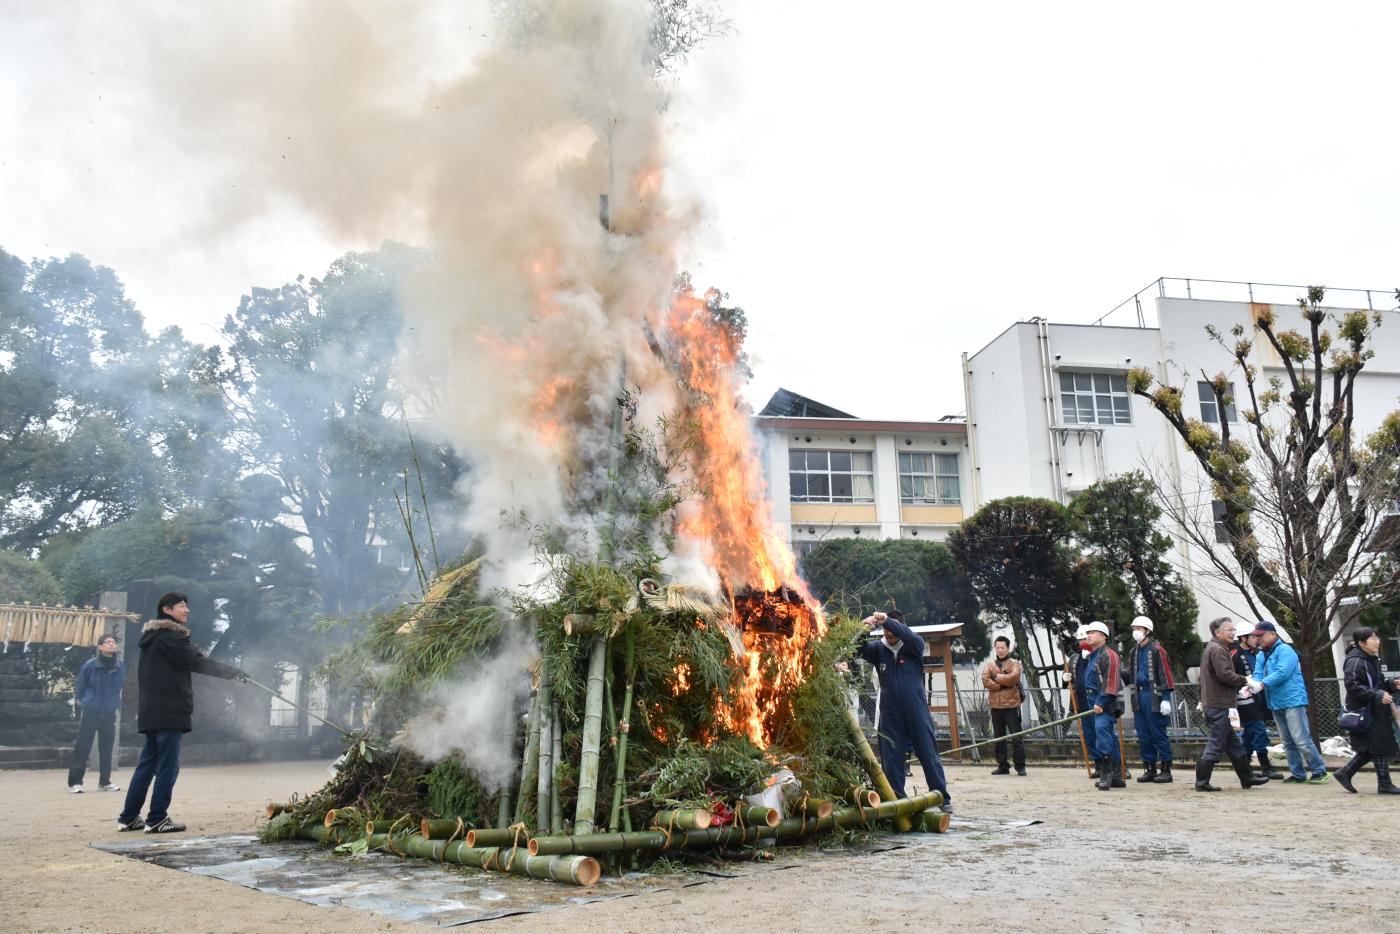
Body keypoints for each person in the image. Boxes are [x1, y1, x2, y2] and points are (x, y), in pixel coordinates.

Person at [117, 593, 246, 833]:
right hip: (169, 711)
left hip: (151, 712)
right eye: (181, 606)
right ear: (167, 610)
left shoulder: (152, 639)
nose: (186, 610)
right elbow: (198, 661)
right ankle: (157, 819)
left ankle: (129, 817)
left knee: (147, 765)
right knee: (168, 766)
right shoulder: (171, 637)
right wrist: (233, 673)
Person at [856, 610, 952, 812]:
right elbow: (858, 648)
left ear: (900, 628)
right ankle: (896, 800)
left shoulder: (913, 645)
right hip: (890, 712)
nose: (889, 634)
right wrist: (864, 629)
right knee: (891, 758)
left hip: (916, 709)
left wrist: (887, 621)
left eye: (892, 630)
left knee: (928, 753)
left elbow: (910, 636)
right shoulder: (878, 650)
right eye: (886, 631)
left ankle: (942, 797)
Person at [1246, 621, 1330, 784]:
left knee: (1301, 739)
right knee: (1288, 741)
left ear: (1273, 634)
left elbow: (1282, 672)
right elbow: (1257, 674)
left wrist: (1261, 685)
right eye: (1256, 636)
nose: (1258, 639)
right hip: (1276, 702)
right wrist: (1251, 685)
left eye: (1261, 635)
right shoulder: (1262, 654)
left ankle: (1319, 771)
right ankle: (1297, 773)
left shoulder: (1285, 650)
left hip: (1292, 700)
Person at [1195, 617, 1269, 792]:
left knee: (1234, 743)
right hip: (1219, 704)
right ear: (1217, 633)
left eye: (1233, 629)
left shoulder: (1214, 648)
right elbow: (1225, 674)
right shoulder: (1218, 650)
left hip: (1218, 702)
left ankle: (1247, 777)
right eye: (1229, 629)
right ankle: (1202, 781)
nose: (1232, 632)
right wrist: (1246, 680)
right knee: (1216, 743)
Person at [1333, 627, 1400, 795]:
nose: (1378, 641)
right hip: (1365, 711)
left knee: (1374, 746)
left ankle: (1346, 773)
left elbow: (1377, 684)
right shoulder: (1356, 660)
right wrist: (1376, 695)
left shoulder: (1369, 659)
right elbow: (1352, 685)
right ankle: (1383, 784)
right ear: (1361, 643)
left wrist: (1392, 685)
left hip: (1374, 709)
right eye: (1373, 639)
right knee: (1375, 745)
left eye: (1377, 638)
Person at [67, 633, 125, 794]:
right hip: (91, 710)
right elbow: (81, 685)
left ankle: (105, 782)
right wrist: (82, 701)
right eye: (108, 642)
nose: (112, 644)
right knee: (83, 746)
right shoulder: (90, 665)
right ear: (100, 647)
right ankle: (75, 782)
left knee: (106, 748)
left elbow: (119, 686)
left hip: (109, 712)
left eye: (113, 642)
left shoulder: (120, 665)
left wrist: (115, 704)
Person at [1122, 615, 1174, 784]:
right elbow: (1131, 676)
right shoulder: (1133, 652)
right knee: (1143, 736)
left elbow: (1166, 674)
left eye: (1138, 628)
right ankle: (1150, 769)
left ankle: (1166, 770)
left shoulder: (1158, 650)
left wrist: (1166, 698)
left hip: (1154, 696)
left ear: (1147, 631)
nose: (1135, 632)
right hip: (1138, 696)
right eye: (1134, 629)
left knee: (1158, 733)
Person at [1233, 623, 1282, 780]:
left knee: (1248, 736)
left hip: (1257, 699)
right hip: (1244, 701)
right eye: (1254, 637)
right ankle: (1265, 766)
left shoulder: (1256, 654)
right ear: (1243, 638)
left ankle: (1246, 768)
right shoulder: (1235, 655)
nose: (1257, 639)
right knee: (1259, 732)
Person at [1082, 621, 1124, 791]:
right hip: (1093, 699)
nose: (1088, 635)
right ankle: (1117, 776)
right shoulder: (1092, 655)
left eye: (1092, 632)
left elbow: (1111, 683)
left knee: (1103, 735)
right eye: (1088, 632)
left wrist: (1101, 702)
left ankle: (1106, 775)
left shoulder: (1109, 655)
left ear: (1104, 636)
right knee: (1108, 738)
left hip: (1105, 701)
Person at [981, 635, 1026, 776]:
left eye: (1003, 647)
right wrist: (1002, 685)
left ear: (1008, 648)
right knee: (999, 738)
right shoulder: (989, 665)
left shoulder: (1015, 663)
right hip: (995, 706)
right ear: (995, 648)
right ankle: (1002, 765)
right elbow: (985, 681)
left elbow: (1014, 678)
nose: (1000, 650)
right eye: (998, 647)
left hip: (1012, 706)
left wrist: (996, 678)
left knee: (1017, 737)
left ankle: (1020, 766)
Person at [1066, 625, 1099, 779]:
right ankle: (1099, 765)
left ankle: (1116, 766)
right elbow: (1070, 677)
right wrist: (1066, 678)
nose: (1082, 643)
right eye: (1080, 640)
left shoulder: (1098, 655)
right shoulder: (1075, 658)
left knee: (1103, 736)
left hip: (1097, 702)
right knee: (1090, 736)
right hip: (1082, 703)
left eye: (1084, 639)